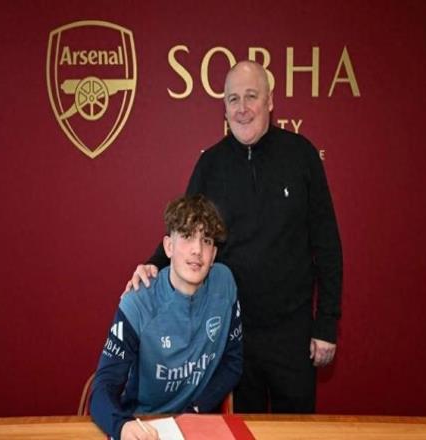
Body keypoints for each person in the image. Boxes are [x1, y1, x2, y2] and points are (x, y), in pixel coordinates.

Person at [125, 60, 343, 414]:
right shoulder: (210, 164)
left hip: (293, 335)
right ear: (224, 108)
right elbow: (184, 232)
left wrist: (327, 322)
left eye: (251, 96)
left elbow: (327, 244)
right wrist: (151, 265)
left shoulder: (302, 155)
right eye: (233, 99)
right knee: (240, 430)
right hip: (229, 333)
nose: (242, 108)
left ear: (270, 101)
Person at [91, 194, 243, 440]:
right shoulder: (138, 302)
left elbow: (233, 363)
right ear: (168, 247)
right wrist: (122, 427)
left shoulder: (224, 284)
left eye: (206, 240)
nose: (197, 250)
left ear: (214, 254)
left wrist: (196, 410)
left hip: (196, 425)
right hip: (144, 424)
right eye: (187, 236)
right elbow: (103, 386)